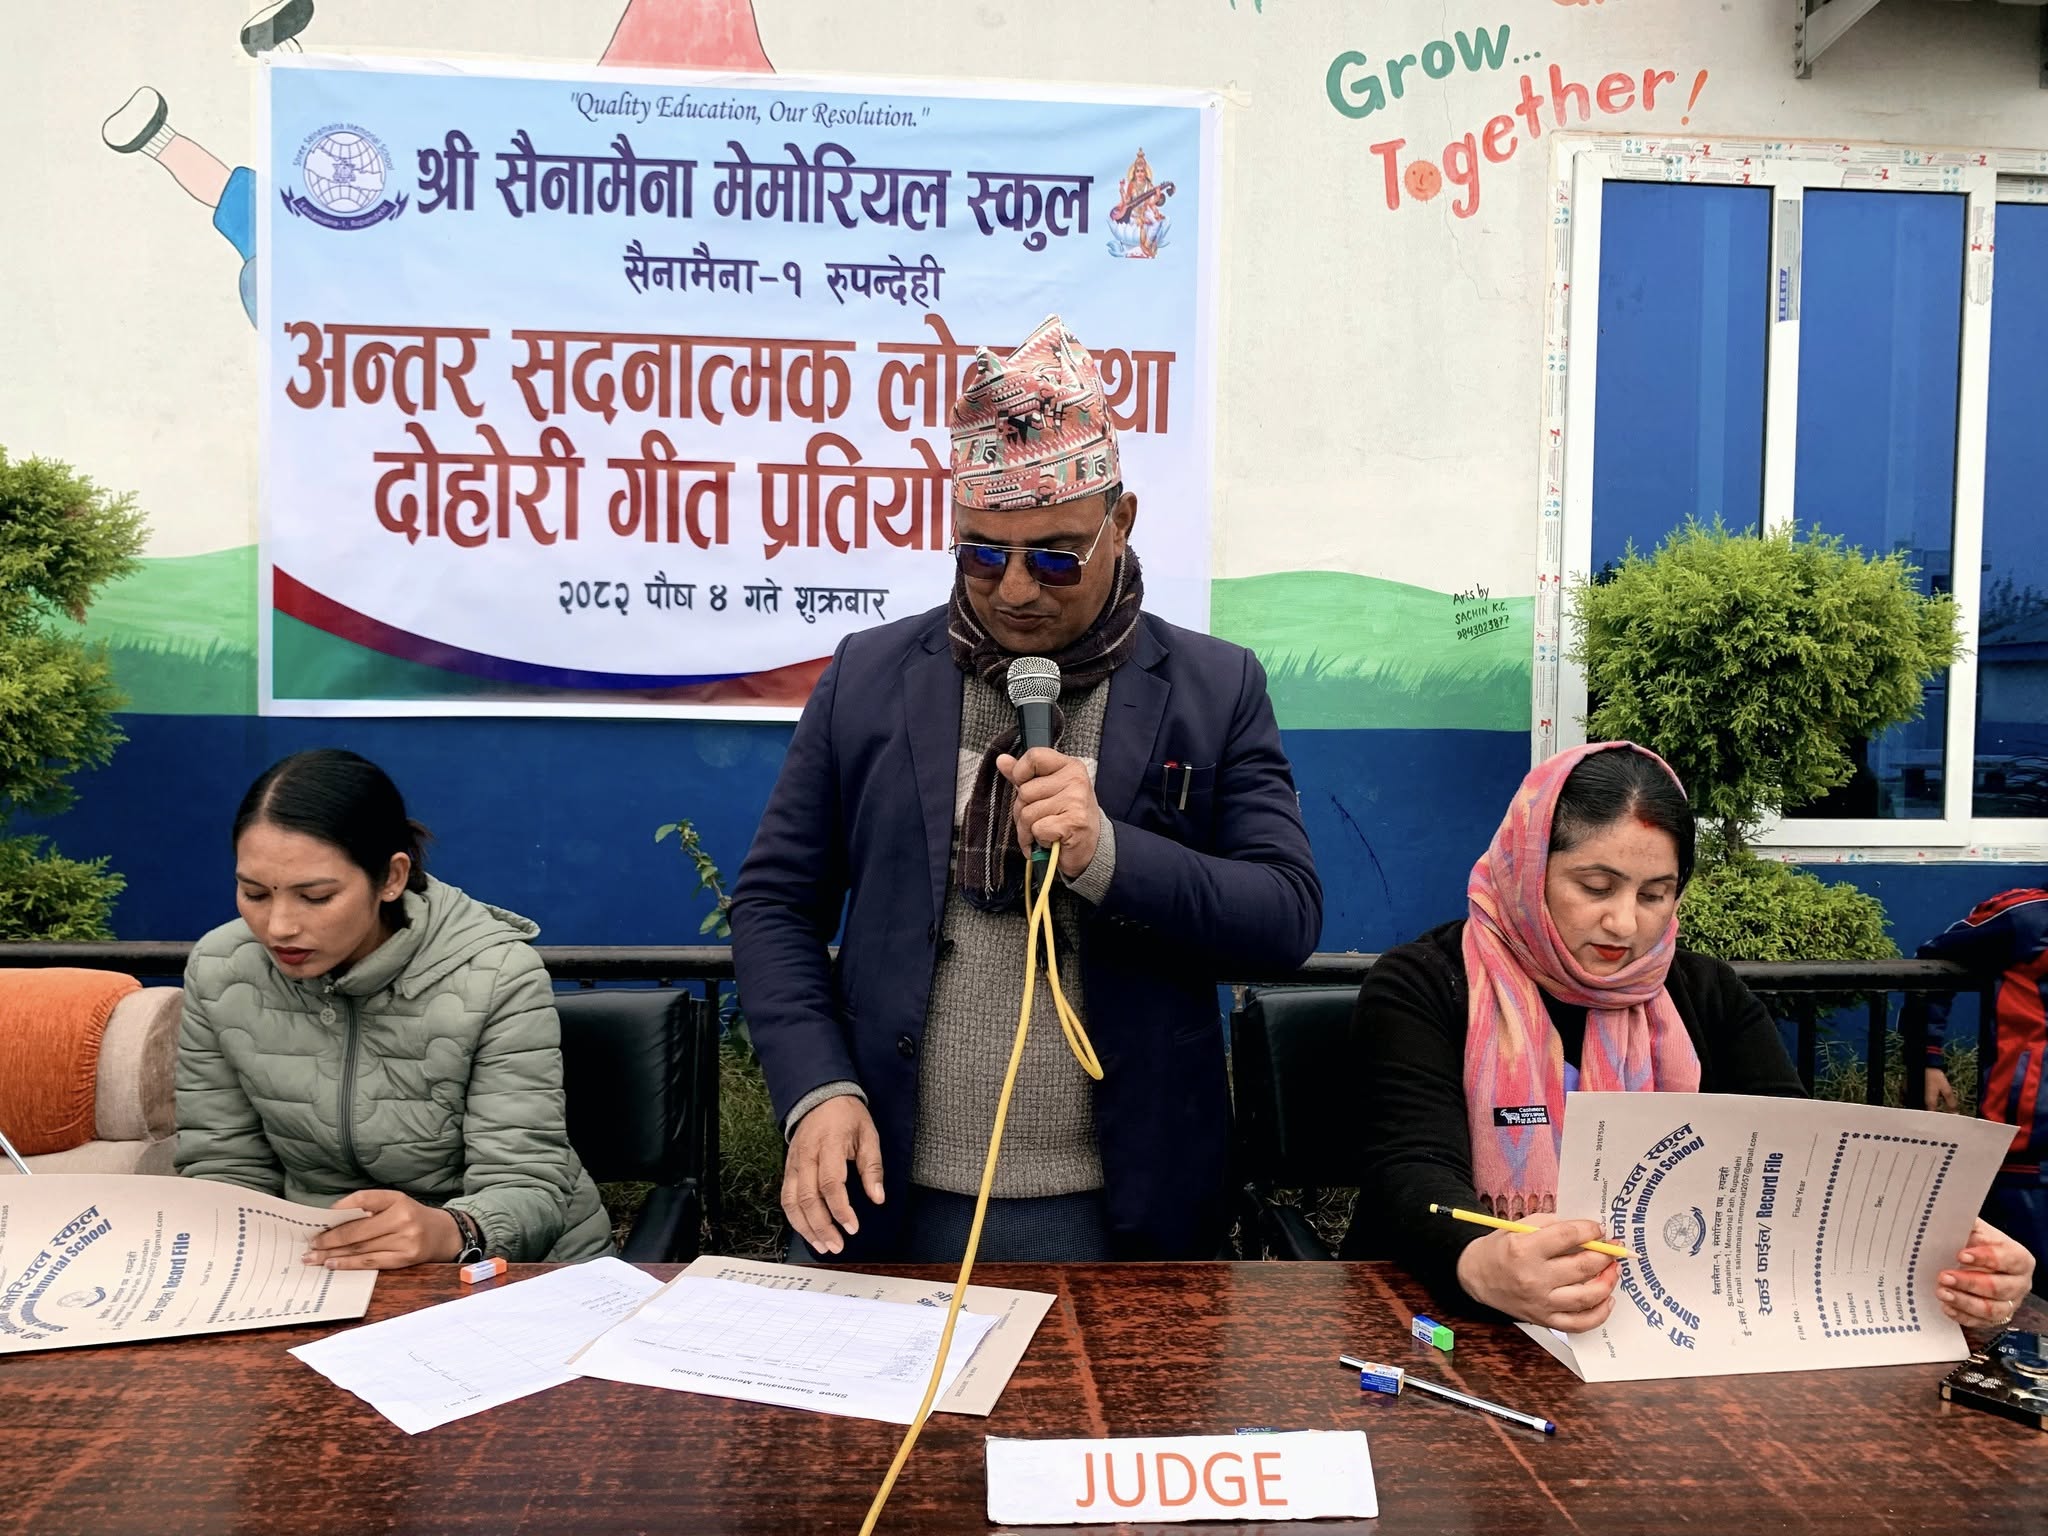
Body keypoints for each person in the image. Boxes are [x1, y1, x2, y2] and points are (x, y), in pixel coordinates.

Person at [731, 314, 1321, 1264]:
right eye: (980, 553)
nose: (1013, 590)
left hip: (1121, 1206)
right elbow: (773, 904)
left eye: (1054, 556)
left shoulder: (1214, 690)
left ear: (1121, 522)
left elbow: (1285, 915)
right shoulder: (870, 678)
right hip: (883, 1195)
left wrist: (1107, 855)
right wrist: (817, 1089)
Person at [1342, 741, 2036, 1335]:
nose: (1624, 924)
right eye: (1595, 886)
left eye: (1654, 894)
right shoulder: (1426, 984)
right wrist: (1480, 1262)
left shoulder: (1703, 994)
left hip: (1668, 1322)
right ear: (1527, 869)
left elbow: (1798, 1157)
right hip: (1447, 1324)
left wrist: (1938, 1244)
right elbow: (1410, 1174)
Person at [178, 749, 611, 1269]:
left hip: (509, 1266)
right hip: (319, 1265)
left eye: (315, 897)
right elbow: (224, 1166)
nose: (279, 927)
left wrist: (450, 1230)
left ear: (391, 877)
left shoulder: (498, 974)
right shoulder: (220, 968)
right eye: (254, 893)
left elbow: (527, 1185)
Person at [1903, 889, 2048, 1291]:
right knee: (2022, 1292)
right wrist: (1927, 1059)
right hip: (2030, 1152)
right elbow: (1932, 963)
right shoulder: (2025, 915)